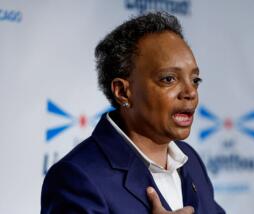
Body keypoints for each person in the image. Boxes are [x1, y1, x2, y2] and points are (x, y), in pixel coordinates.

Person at [41, 12, 225, 214]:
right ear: (122, 91)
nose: (190, 92)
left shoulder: (190, 159)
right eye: (169, 79)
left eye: (195, 80)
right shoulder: (76, 178)